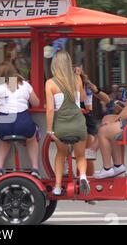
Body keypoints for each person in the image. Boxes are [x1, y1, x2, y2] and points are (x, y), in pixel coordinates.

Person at [45, 51, 90, 196]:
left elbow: (51, 109)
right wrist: (79, 77)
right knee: (81, 155)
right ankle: (83, 176)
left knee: (61, 153)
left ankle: (58, 186)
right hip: (78, 123)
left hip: (61, 126)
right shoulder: (76, 79)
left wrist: (49, 129)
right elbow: (83, 98)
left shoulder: (50, 83)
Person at [0, 62, 41, 179]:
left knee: (5, 140)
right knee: (32, 138)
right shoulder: (24, 85)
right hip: (22, 121)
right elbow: (36, 103)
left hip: (3, 123)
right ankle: (35, 168)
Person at [73, 63, 110, 175]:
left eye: (78, 70)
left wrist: (96, 90)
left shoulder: (86, 84)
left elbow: (106, 99)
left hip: (86, 118)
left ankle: (86, 179)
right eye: (74, 70)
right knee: (79, 155)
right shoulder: (66, 84)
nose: (76, 72)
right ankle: (81, 179)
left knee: (85, 154)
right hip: (72, 118)